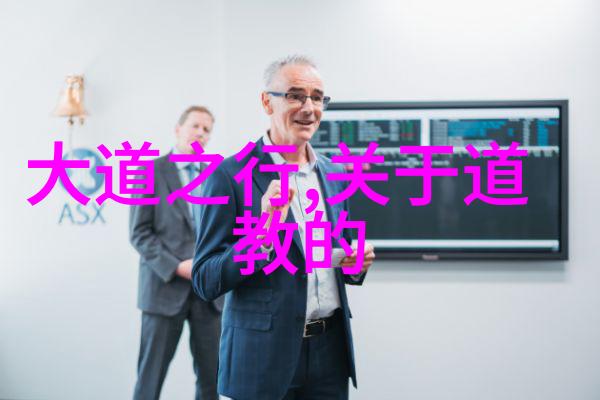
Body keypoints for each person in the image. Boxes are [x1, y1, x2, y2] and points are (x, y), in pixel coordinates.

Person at [192, 56, 375, 400]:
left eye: (317, 97)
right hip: (261, 357)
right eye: (295, 95)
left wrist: (355, 264)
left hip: (329, 354)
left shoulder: (335, 174)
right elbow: (205, 279)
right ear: (267, 102)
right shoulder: (228, 176)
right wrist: (263, 232)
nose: (309, 108)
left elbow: (338, 257)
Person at [129, 106, 223, 400]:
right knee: (150, 379)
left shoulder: (216, 176)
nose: (200, 134)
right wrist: (177, 266)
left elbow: (225, 232)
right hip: (163, 290)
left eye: (206, 130)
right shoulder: (150, 171)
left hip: (209, 294)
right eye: (195, 126)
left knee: (212, 381)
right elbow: (139, 233)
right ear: (178, 129)